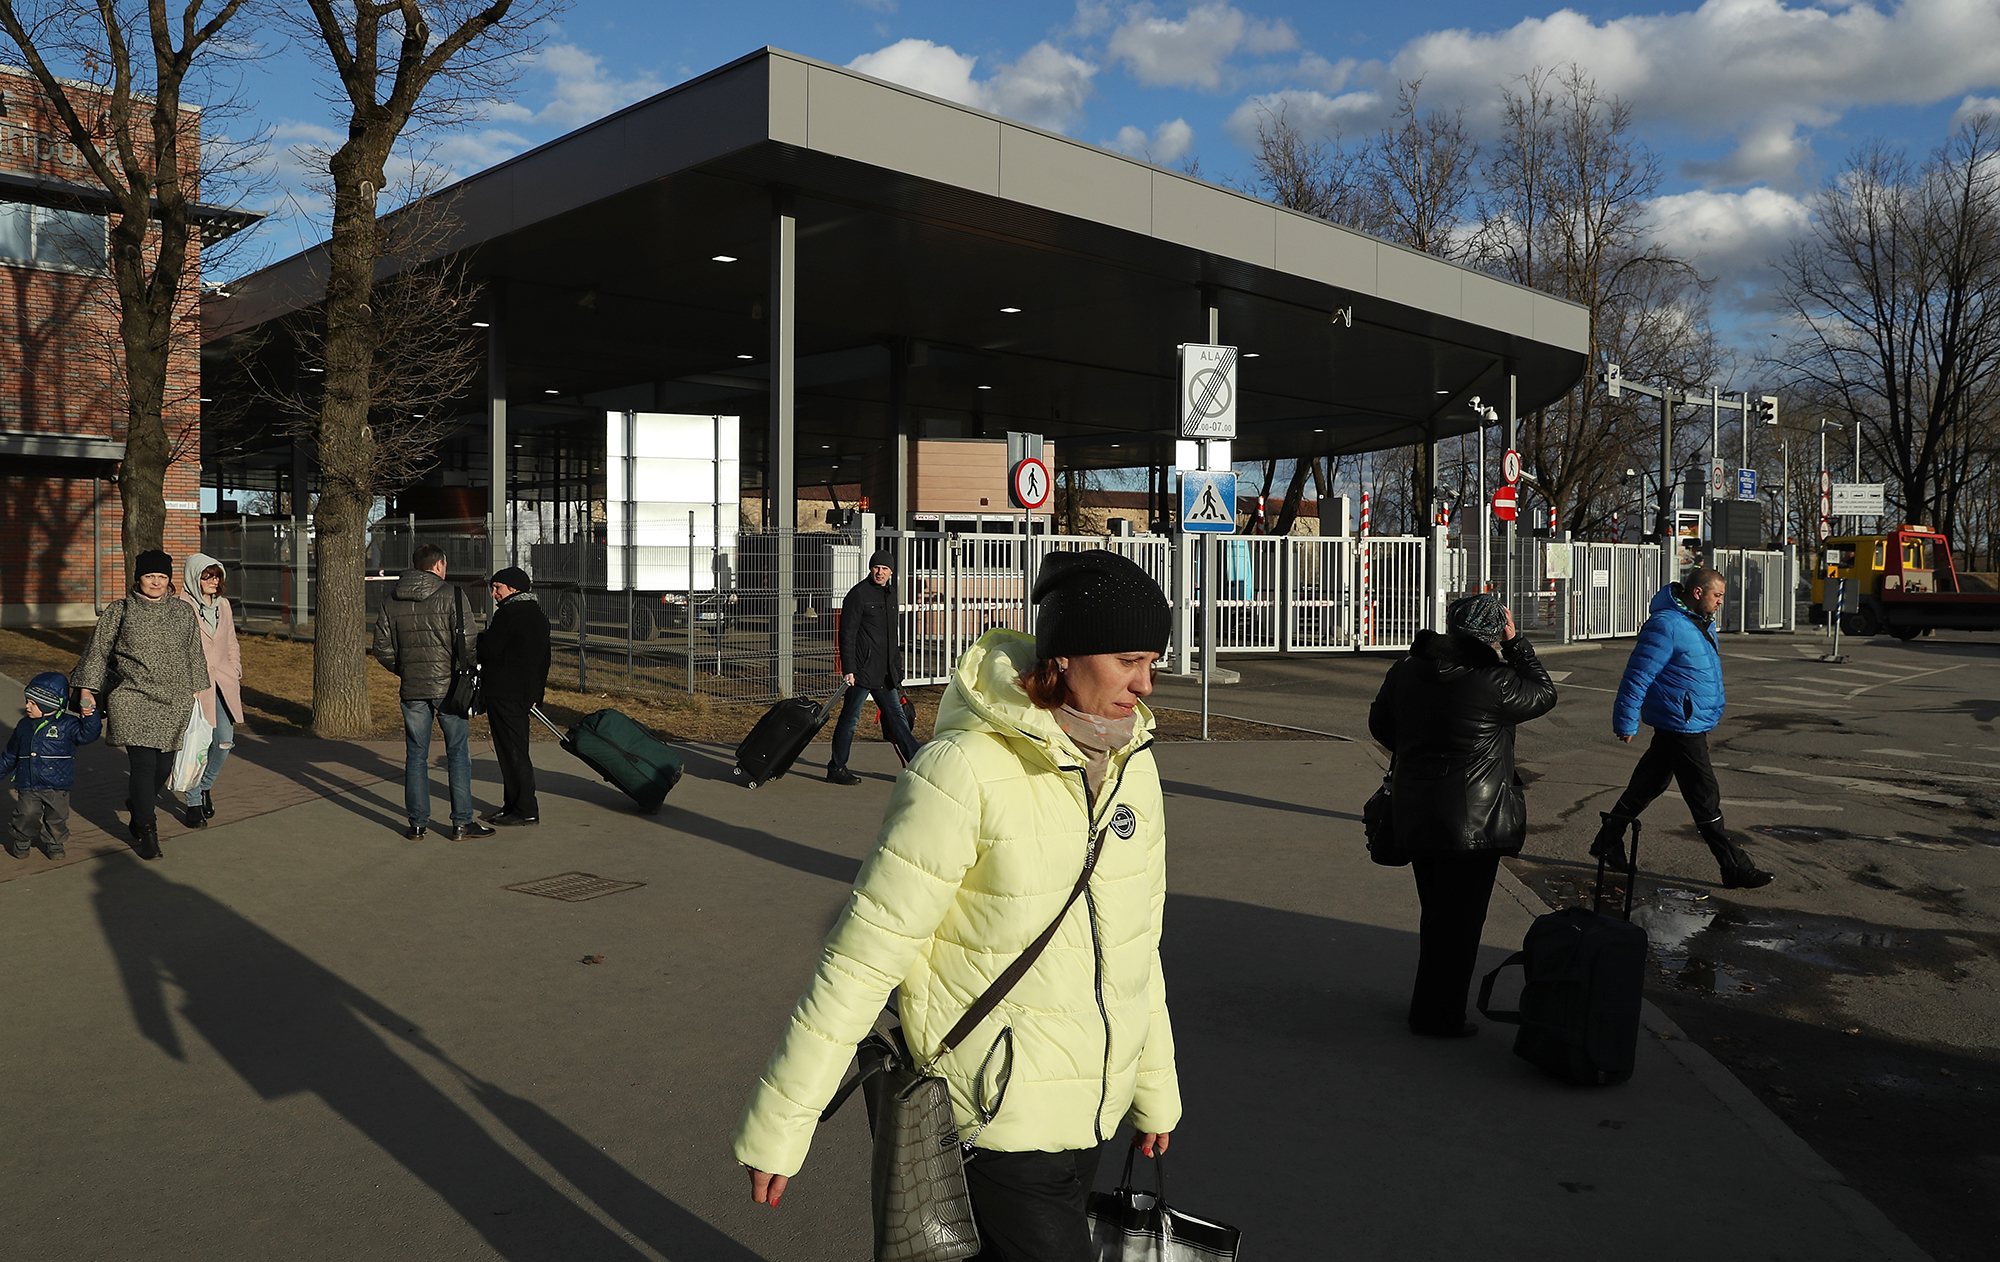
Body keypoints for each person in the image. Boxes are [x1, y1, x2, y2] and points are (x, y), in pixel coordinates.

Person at [734, 549, 1180, 1261]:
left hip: (1093, 1110)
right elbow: (863, 955)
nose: (1145, 683)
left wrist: (1153, 1085)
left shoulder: (1137, 768)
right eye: (1128, 659)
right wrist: (785, 1120)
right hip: (993, 1114)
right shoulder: (963, 771)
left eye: (1152, 660)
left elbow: (1134, 945)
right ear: (1063, 655)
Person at [1369, 594, 1558, 1038]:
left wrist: (1418, 748)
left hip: (1417, 811)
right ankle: (1439, 1018)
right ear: (1495, 633)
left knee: (1435, 914)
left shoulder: (1407, 670)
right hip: (1474, 821)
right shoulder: (1495, 680)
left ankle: (1429, 1008)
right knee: (1460, 923)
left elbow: (1380, 725)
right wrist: (1517, 644)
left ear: (1452, 627)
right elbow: (1545, 693)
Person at [1592, 567, 1774, 890]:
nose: (1720, 602)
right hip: (1681, 725)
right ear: (1699, 593)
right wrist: (1626, 719)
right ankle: (1734, 867)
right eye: (1717, 595)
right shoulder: (1667, 625)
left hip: (1685, 721)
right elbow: (1637, 675)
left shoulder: (1700, 623)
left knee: (1648, 784)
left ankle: (1608, 839)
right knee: (1704, 797)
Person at [72, 549, 211, 861]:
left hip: (175, 700)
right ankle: (147, 829)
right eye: (150, 576)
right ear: (138, 578)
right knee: (143, 765)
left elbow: (194, 653)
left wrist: (199, 692)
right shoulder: (119, 611)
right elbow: (96, 652)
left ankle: (138, 803)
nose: (157, 582)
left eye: (162, 577)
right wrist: (86, 691)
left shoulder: (183, 612)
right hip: (132, 698)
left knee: (163, 767)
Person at [372, 543, 493, 842]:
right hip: (450, 685)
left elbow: (381, 647)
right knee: (458, 755)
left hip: (412, 686)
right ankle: (462, 822)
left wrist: (405, 668)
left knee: (415, 755)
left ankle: (417, 824)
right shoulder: (452, 595)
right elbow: (467, 642)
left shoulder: (391, 599)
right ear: (439, 565)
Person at [826, 548, 920, 784]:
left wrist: (896, 670)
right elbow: (846, 633)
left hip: (885, 672)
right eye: (877, 567)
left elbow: (891, 637)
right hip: (861, 671)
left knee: (898, 720)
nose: (880, 572)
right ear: (871, 568)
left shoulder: (890, 594)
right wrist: (849, 669)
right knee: (850, 719)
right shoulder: (859, 594)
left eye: (885, 569)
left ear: (891, 572)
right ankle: (837, 767)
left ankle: (920, 765)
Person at [477, 566, 551, 826]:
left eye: (498, 587)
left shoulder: (508, 614)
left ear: (514, 588)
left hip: (504, 692)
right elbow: (545, 660)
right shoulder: (537, 615)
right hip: (523, 693)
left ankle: (524, 808)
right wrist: (536, 692)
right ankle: (513, 805)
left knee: (512, 753)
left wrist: (480, 639)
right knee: (515, 750)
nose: (494, 593)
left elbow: (489, 650)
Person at [2, 672, 101, 860]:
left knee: (57, 817)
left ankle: (54, 842)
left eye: (32, 703)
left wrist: (89, 716)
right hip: (28, 782)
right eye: (27, 701)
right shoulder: (24, 726)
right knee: (26, 813)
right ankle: (22, 838)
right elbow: (11, 753)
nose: (26, 706)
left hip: (57, 783)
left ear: (49, 704)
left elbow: (88, 734)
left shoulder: (68, 725)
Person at [177, 553, 243, 829]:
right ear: (195, 577)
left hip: (223, 682)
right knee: (196, 745)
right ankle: (193, 802)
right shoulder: (180, 605)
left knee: (224, 741)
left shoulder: (223, 606)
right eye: (207, 576)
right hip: (194, 685)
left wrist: (235, 669)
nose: (214, 582)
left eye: (217, 576)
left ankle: (204, 786)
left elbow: (231, 642)